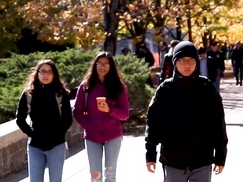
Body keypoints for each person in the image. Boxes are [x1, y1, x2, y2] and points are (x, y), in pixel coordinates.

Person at [145, 41, 228, 182]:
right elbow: (154, 124)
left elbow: (217, 123)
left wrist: (220, 155)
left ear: (196, 62)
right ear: (175, 63)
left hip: (202, 159)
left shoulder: (207, 88)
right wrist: (150, 153)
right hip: (173, 159)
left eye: (191, 60)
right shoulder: (165, 90)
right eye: (182, 61)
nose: (187, 65)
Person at [73, 52, 130, 182]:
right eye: (99, 63)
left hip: (113, 135)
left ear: (111, 66)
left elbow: (125, 114)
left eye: (106, 64)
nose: (102, 67)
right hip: (92, 136)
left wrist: (110, 109)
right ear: (95, 65)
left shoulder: (118, 87)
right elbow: (77, 111)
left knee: (110, 175)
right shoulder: (86, 86)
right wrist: (88, 125)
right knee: (95, 175)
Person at [15, 60, 73, 182]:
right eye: (42, 72)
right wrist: (32, 134)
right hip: (36, 146)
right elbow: (20, 118)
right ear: (37, 73)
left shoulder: (60, 94)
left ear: (54, 74)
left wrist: (57, 135)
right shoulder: (28, 94)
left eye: (49, 72)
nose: (45, 75)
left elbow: (68, 119)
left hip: (56, 145)